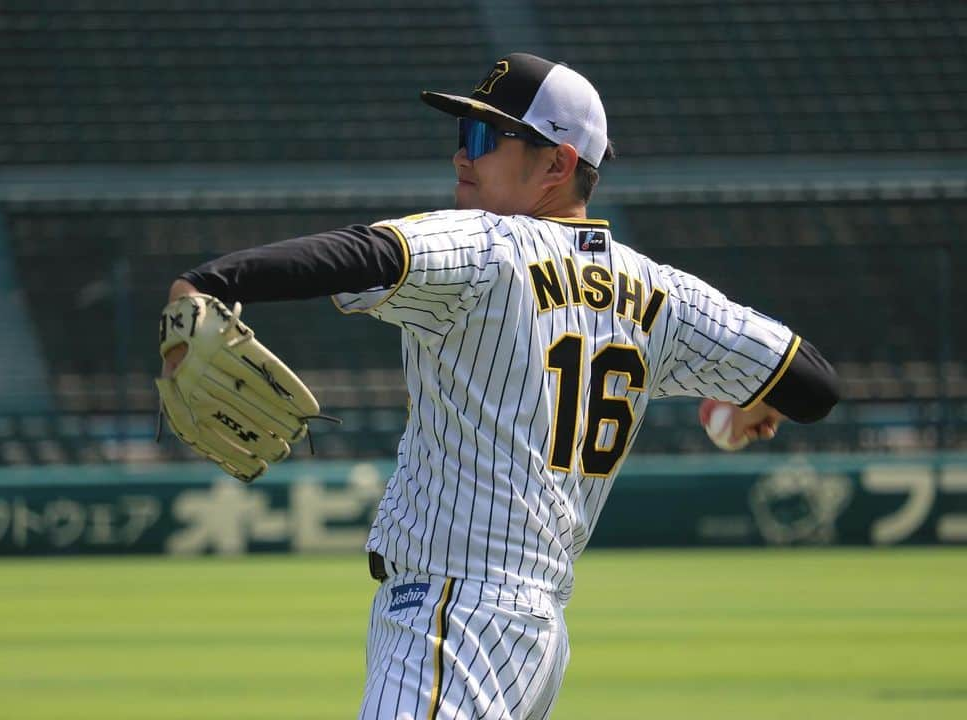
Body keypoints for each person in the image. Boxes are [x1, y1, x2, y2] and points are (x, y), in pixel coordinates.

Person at [162, 52, 838, 720]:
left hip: (455, 618)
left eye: (486, 137)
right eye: (462, 134)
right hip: (531, 635)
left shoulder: (489, 246)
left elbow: (364, 253)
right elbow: (813, 384)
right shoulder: (664, 292)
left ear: (557, 164)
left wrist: (211, 283)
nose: (462, 155)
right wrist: (755, 394)